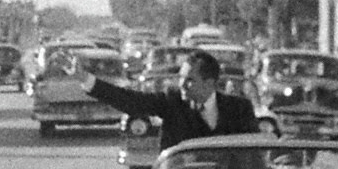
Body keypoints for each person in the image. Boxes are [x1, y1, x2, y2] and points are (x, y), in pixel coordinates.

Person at [74, 49, 257, 154]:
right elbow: (131, 101)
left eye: (190, 80)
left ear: (209, 83)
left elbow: (254, 155)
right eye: (181, 78)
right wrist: (86, 80)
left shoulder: (240, 108)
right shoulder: (172, 101)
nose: (182, 84)